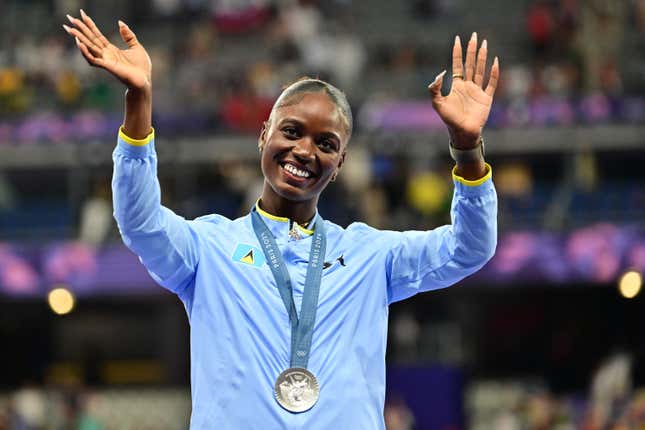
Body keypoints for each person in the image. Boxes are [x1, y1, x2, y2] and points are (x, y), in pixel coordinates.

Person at [63, 10, 499, 429]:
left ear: (340, 161)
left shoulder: (371, 255)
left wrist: (467, 148)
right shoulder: (208, 248)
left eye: (325, 143)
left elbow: (470, 248)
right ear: (263, 135)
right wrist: (139, 103)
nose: (306, 151)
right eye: (291, 132)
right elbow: (140, 222)